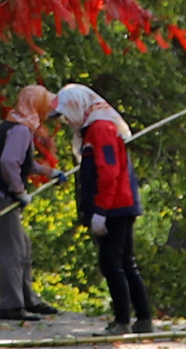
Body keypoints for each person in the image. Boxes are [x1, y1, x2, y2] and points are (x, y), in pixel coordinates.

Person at [53, 81, 152, 334]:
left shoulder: (100, 129)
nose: (64, 120)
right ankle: (143, 319)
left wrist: (100, 211)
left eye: (65, 113)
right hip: (116, 206)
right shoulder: (92, 130)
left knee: (113, 263)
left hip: (115, 207)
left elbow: (108, 173)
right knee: (125, 263)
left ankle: (123, 321)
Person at [0, 84, 59, 323]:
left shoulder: (20, 126)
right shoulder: (19, 129)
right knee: (12, 250)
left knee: (23, 247)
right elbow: (9, 163)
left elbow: (24, 162)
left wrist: (50, 172)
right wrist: (19, 191)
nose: (49, 113)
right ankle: (11, 305)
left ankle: (29, 299)